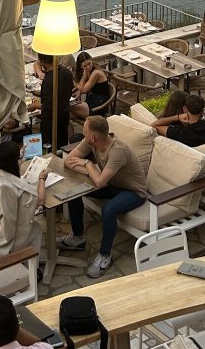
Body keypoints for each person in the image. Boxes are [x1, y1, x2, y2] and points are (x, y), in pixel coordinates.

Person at [62, 115, 147, 278]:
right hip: (112, 185)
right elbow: (69, 160)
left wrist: (88, 164)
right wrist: (89, 171)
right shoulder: (91, 141)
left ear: (93, 137)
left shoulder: (118, 150)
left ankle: (105, 256)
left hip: (134, 192)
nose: (83, 134)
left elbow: (100, 182)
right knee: (75, 191)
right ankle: (78, 237)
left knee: (109, 210)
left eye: (85, 132)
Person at [33, 53, 74, 151]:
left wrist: (34, 106)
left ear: (43, 62)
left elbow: (48, 106)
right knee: (62, 144)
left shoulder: (49, 80)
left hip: (50, 120)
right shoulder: (66, 72)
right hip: (64, 115)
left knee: (49, 147)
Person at [70, 52, 112, 123]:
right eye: (85, 66)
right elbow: (81, 86)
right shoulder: (87, 71)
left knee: (66, 107)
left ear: (91, 60)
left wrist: (73, 81)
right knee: (65, 114)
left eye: (89, 63)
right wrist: (85, 75)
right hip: (92, 100)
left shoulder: (96, 73)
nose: (88, 67)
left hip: (99, 104)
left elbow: (83, 90)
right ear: (81, 66)